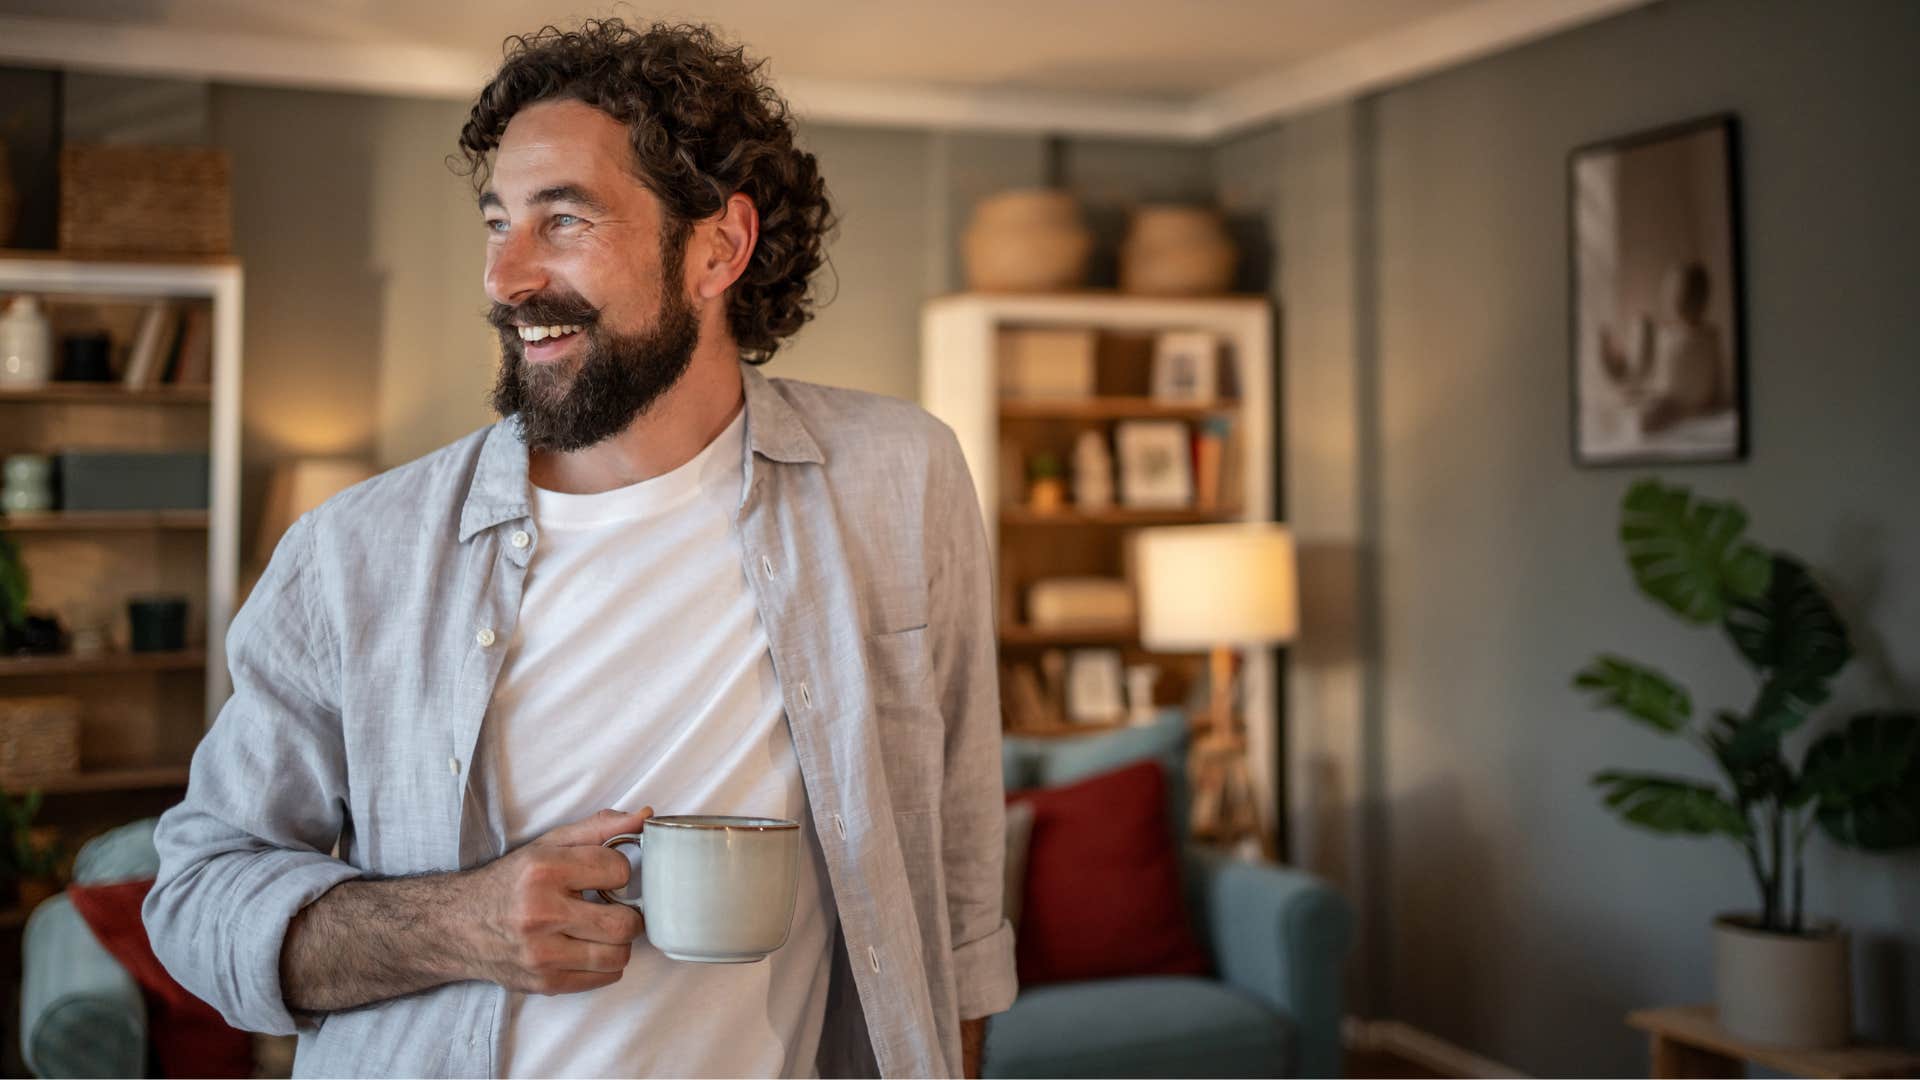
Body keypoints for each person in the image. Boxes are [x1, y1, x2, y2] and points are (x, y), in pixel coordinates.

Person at [144, 19, 1014, 1078]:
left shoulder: (897, 479)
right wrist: (461, 922)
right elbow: (195, 895)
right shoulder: (353, 556)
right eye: (498, 221)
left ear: (716, 247)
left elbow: (960, 877)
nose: (507, 277)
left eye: (562, 220)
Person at [1597, 260, 1732, 435]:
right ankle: (1615, 364)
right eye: (1670, 294)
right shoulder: (1669, 333)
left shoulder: (1709, 336)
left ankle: (1621, 373)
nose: (1674, 300)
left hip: (1689, 404)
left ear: (1702, 299)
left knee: (1647, 416)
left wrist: (1717, 398)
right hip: (1669, 399)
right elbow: (1653, 369)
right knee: (1637, 406)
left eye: (1681, 293)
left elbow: (1716, 373)